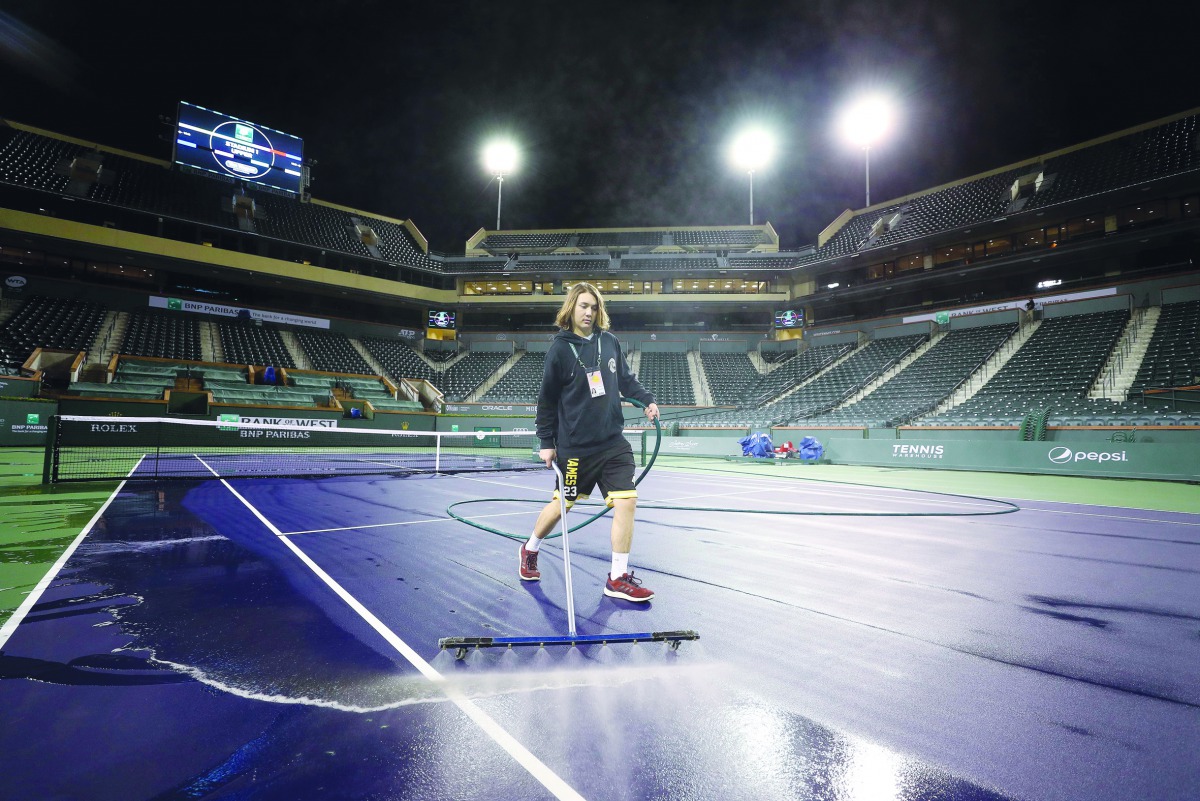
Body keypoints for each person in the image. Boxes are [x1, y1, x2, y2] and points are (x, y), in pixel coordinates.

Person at [519, 282, 660, 601]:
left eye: (594, 307)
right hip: (575, 450)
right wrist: (546, 441)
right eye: (583, 305)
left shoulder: (609, 341)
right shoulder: (559, 349)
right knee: (561, 506)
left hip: (612, 444)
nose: (589, 312)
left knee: (627, 501)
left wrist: (646, 399)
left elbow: (626, 379)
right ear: (571, 309)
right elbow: (546, 400)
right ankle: (529, 549)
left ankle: (618, 577)